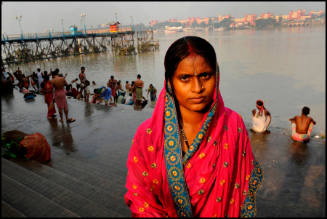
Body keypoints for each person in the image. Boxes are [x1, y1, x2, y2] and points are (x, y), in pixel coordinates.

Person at [124, 36, 263, 217]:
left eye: (205, 75)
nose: (197, 88)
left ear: (217, 75)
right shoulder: (148, 136)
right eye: (185, 78)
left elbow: (242, 190)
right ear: (170, 82)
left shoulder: (233, 124)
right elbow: (141, 197)